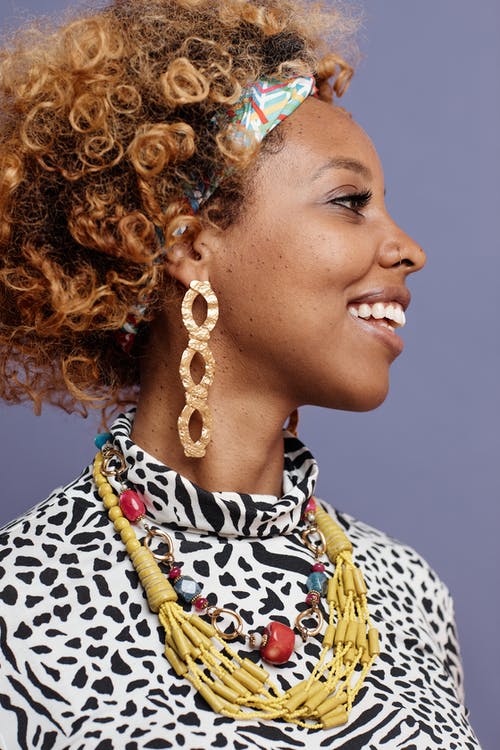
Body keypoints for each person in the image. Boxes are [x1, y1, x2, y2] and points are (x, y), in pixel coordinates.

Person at [0, 1, 481, 748]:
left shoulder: (409, 593)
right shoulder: (19, 608)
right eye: (349, 202)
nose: (408, 249)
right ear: (189, 243)